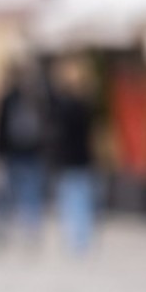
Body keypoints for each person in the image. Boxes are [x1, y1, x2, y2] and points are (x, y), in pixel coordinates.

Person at [0, 58, 51, 251]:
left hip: (13, 153)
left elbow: (0, 128)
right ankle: (30, 231)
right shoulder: (38, 97)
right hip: (33, 152)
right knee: (31, 195)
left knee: (7, 194)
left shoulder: (9, 98)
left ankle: (3, 232)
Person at [48, 57, 99, 255]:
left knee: (70, 201)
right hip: (83, 158)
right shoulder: (86, 105)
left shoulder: (63, 107)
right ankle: (81, 239)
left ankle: (73, 239)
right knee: (82, 200)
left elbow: (57, 132)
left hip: (68, 160)